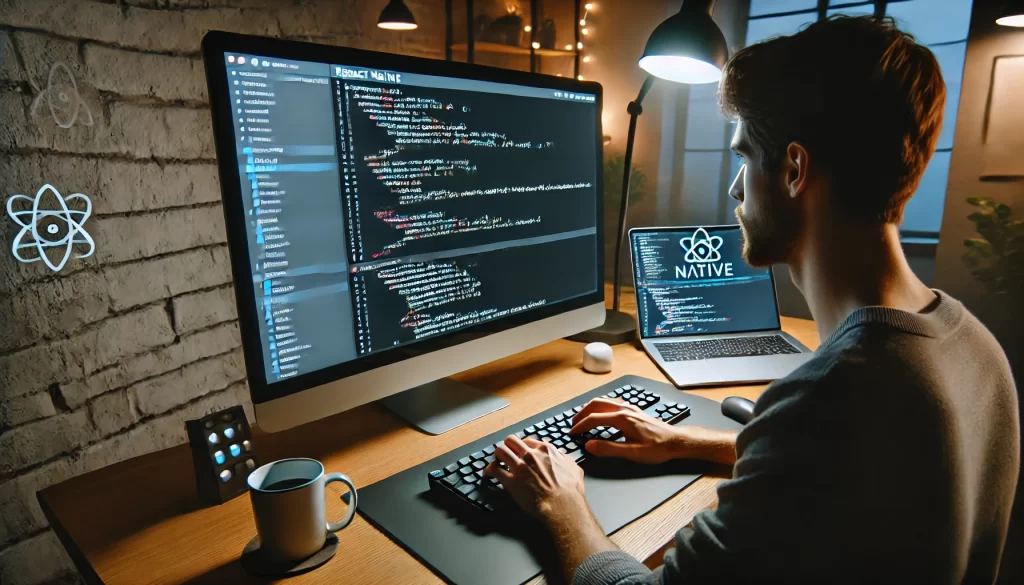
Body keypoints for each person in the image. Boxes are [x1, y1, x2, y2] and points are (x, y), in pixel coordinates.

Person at [484, 15, 1020, 585]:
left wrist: (559, 502)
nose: (736, 189)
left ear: (794, 169)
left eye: (744, 158)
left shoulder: (831, 402)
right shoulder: (976, 347)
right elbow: (847, 471)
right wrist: (682, 440)